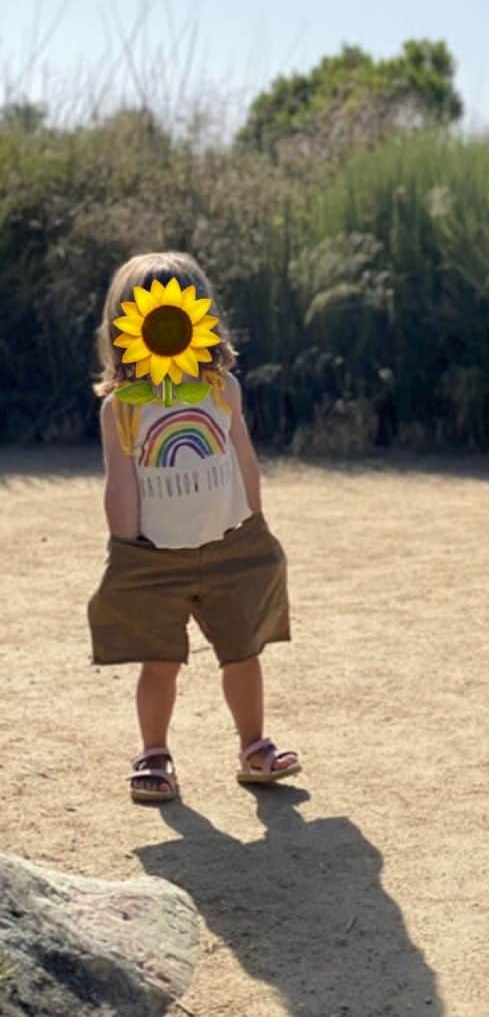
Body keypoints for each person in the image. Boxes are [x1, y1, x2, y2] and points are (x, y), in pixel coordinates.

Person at [88, 250, 301, 802]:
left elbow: (244, 457)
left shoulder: (220, 389)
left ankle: (253, 746)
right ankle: (153, 752)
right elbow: (122, 483)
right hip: (156, 555)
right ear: (127, 331)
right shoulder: (123, 410)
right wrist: (128, 549)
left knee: (243, 652)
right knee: (159, 661)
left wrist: (256, 526)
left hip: (232, 542)